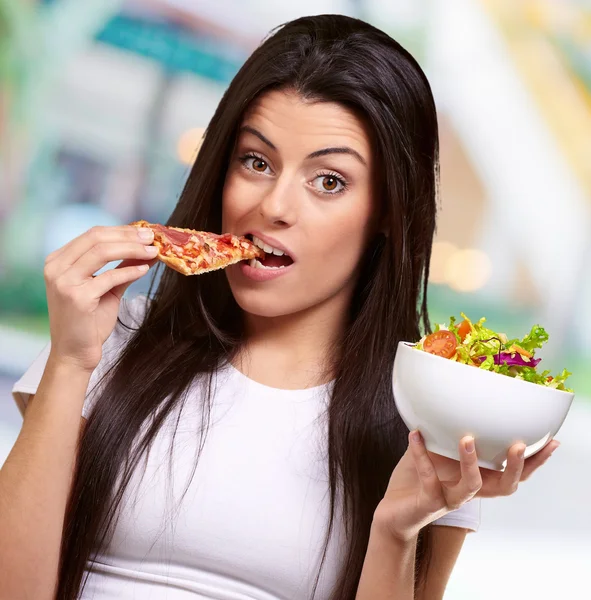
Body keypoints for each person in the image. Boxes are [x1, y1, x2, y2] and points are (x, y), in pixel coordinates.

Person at [3, 14, 558, 600]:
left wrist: (396, 530)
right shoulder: (108, 341)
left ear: (390, 212)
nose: (274, 206)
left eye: (328, 181)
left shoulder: (428, 423)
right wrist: (69, 363)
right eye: (257, 162)